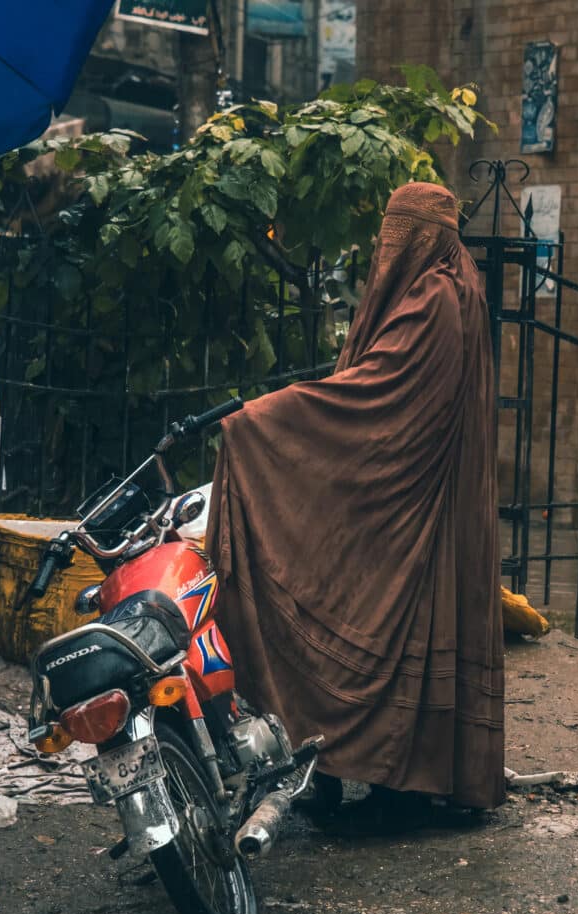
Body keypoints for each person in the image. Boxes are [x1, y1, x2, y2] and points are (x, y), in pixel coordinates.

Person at [206, 181, 504, 827]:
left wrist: (265, 418)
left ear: (429, 237)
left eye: (401, 234)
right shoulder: (447, 289)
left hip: (417, 504)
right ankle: (347, 769)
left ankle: (396, 786)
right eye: (385, 234)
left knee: (387, 617)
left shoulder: (436, 298)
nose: (386, 248)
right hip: (417, 501)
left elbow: (380, 395)